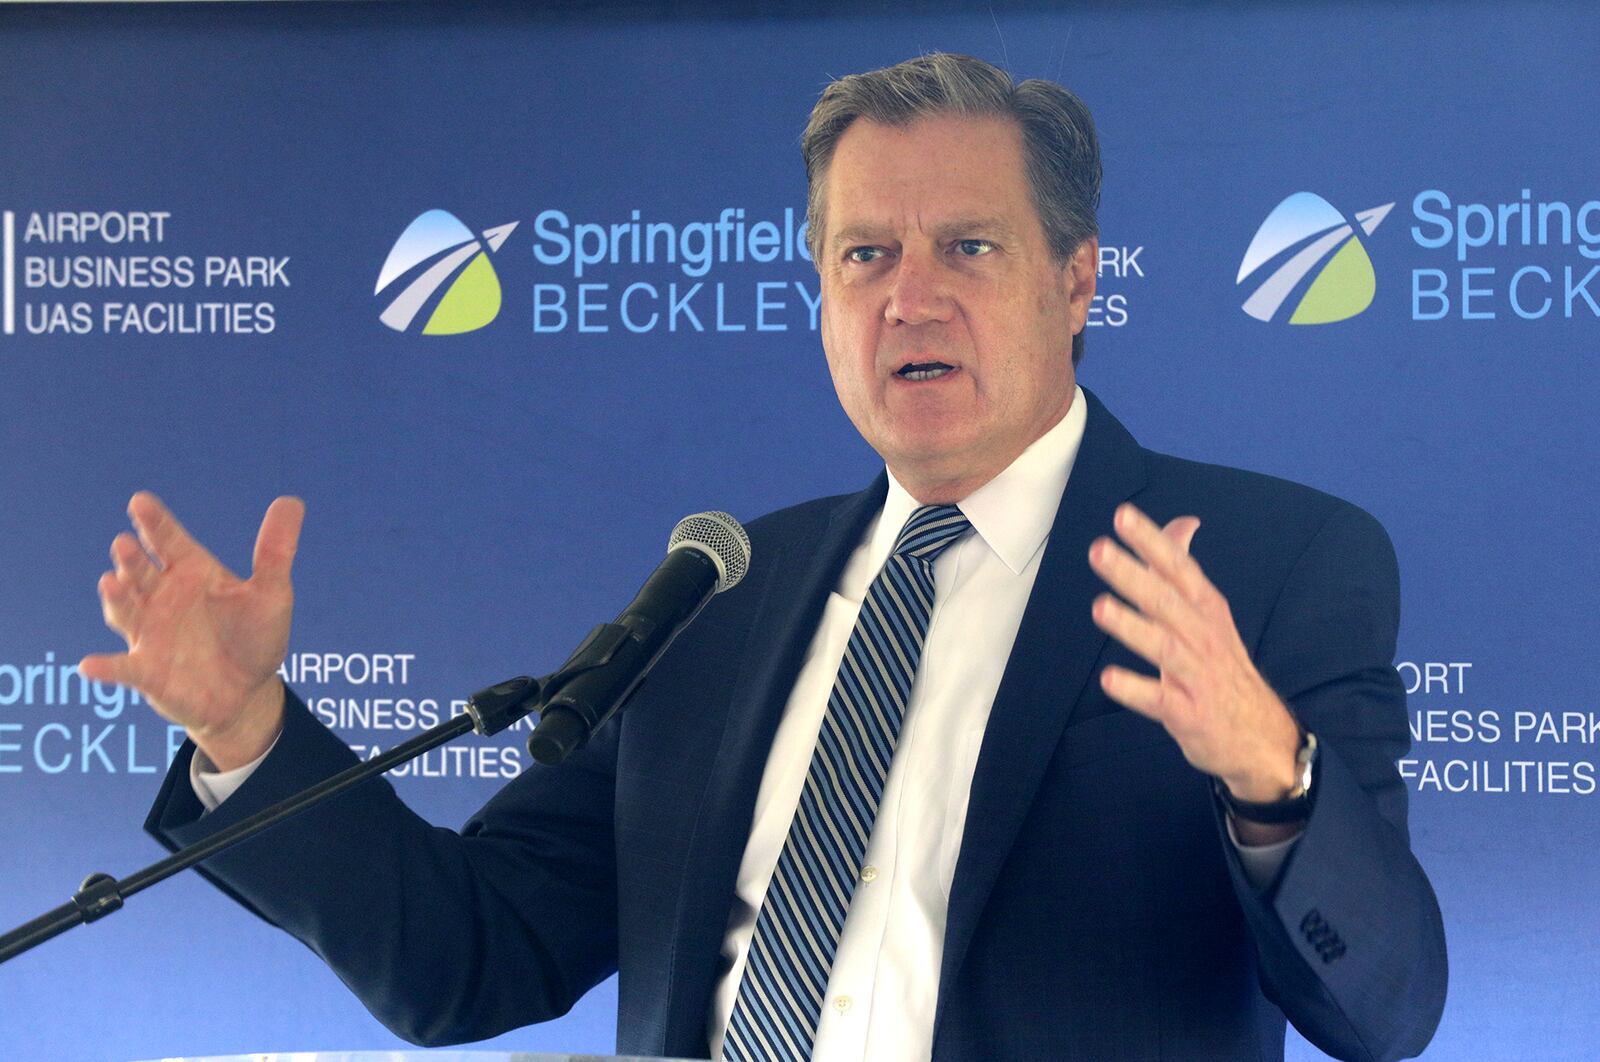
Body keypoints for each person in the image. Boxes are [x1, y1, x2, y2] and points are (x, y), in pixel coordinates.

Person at [85, 53, 1446, 1061]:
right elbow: (469, 955)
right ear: (820, 294)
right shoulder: (721, 595)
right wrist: (245, 726)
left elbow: (1387, 1004)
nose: (909, 295)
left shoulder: (1263, 564)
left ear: (1076, 280)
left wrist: (1272, 776)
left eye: (967, 246)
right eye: (865, 254)